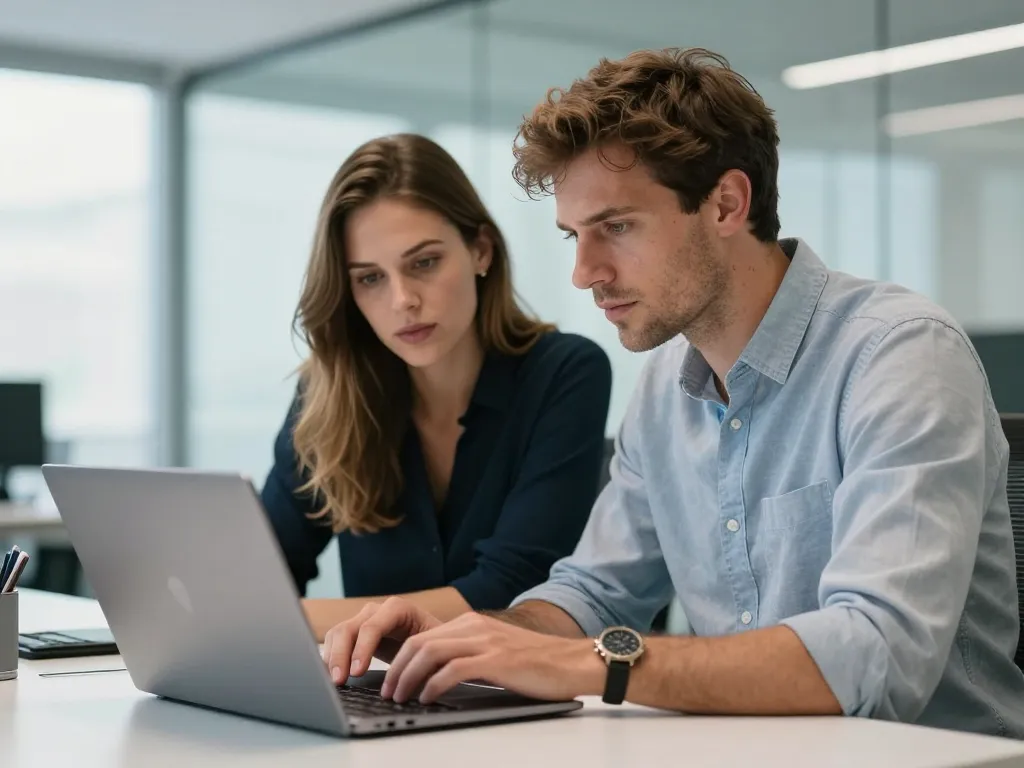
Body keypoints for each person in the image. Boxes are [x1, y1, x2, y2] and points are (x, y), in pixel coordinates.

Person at [320, 48, 1024, 738]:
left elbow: (878, 654)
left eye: (616, 228)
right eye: (573, 236)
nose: (584, 273)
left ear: (725, 203)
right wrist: (464, 635)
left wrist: (603, 666)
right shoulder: (664, 390)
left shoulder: (898, 356)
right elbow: (592, 595)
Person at [262, 133, 612, 641]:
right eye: (370, 278)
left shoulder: (565, 372)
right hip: (381, 696)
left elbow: (513, 590)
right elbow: (263, 573)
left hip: (526, 702)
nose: (403, 299)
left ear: (480, 250)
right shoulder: (328, 394)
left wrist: (285, 620)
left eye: (423, 263)